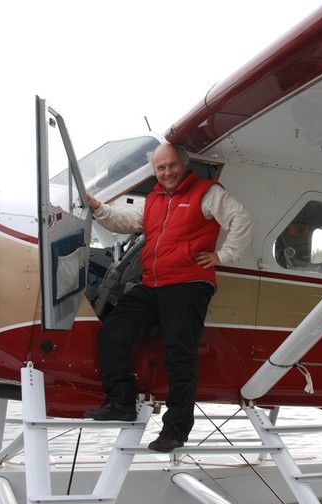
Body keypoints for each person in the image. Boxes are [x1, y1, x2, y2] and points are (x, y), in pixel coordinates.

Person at [83, 143, 255, 453]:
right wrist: (96, 208)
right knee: (112, 330)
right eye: (160, 168)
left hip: (189, 284)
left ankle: (175, 431)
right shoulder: (154, 201)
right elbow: (121, 221)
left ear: (184, 165)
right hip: (153, 284)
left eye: (172, 166)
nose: (166, 172)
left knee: (180, 354)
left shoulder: (207, 193)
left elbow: (242, 220)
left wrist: (223, 255)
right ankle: (121, 402)